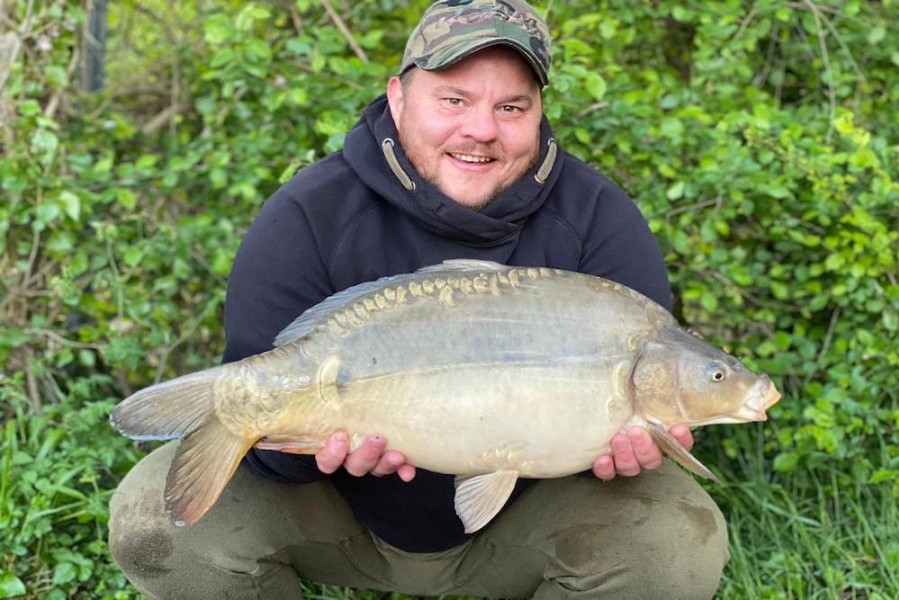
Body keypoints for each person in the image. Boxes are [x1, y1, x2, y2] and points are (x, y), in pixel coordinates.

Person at [109, 1, 729, 597]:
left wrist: (635, 451)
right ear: (399, 96)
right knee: (154, 525)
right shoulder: (307, 216)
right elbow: (268, 458)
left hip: (528, 525)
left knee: (676, 545)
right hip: (335, 518)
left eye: (512, 106)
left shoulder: (600, 220)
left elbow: (636, 432)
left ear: (539, 112)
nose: (481, 129)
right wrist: (318, 452)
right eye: (453, 99)